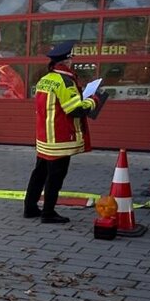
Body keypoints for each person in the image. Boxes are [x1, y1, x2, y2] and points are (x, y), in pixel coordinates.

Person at [24, 40, 102, 224]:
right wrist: (94, 100)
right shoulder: (65, 81)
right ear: (66, 61)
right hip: (60, 139)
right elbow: (74, 109)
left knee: (39, 173)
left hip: (44, 137)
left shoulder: (46, 79)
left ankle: (30, 207)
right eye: (71, 58)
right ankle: (48, 213)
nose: (72, 61)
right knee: (56, 176)